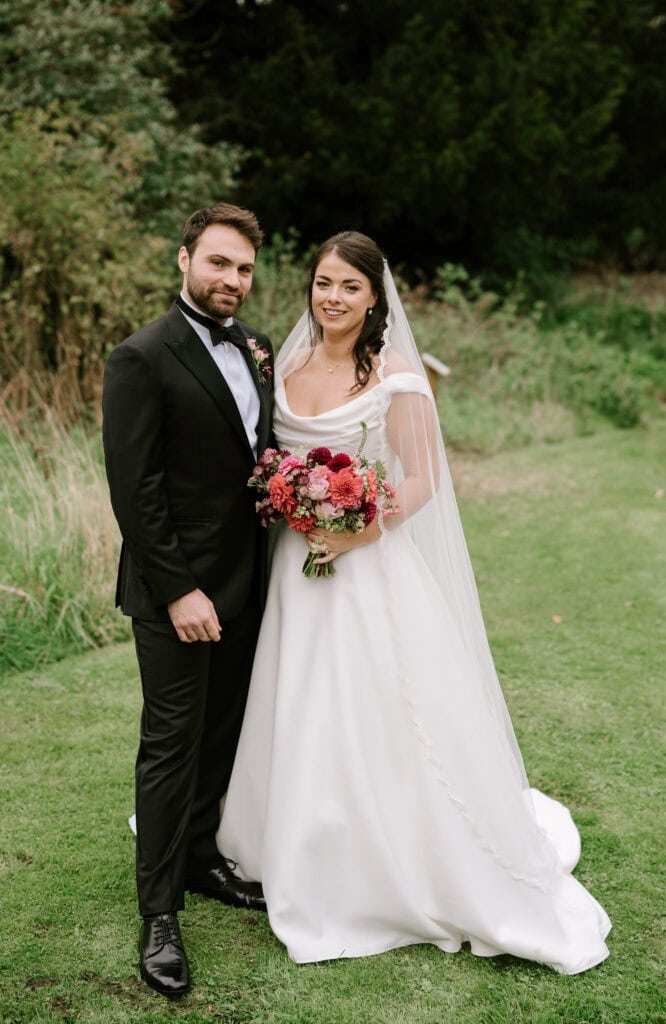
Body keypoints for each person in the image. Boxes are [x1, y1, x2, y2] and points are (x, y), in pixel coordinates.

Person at [216, 231, 611, 974]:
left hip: (365, 566)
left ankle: (385, 858)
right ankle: (288, 839)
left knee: (374, 710)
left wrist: (356, 531)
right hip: (294, 564)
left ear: (375, 300)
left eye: (349, 288)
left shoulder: (395, 376)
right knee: (296, 700)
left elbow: (424, 480)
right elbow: (274, 459)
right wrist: (294, 504)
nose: (331, 298)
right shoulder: (286, 364)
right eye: (322, 282)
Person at [102, 203, 274, 997]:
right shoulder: (140, 357)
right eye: (218, 264)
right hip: (178, 593)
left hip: (248, 582)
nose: (232, 281)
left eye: (242, 269)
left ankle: (202, 860)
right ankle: (159, 913)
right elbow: (134, 493)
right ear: (183, 260)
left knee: (221, 735)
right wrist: (179, 593)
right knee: (170, 745)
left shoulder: (253, 347)